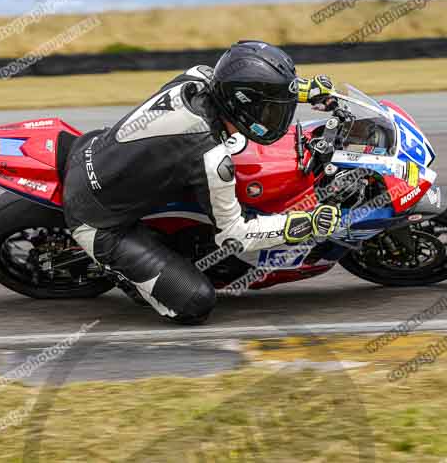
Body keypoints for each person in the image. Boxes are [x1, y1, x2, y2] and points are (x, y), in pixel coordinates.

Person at [62, 40, 341, 324]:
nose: (275, 116)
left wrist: (302, 90)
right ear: (244, 106)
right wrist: (307, 223)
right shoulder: (211, 156)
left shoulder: (198, 76)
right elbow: (235, 235)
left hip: (93, 148)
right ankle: (128, 276)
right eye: (269, 109)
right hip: (100, 222)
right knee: (196, 303)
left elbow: (243, 82)